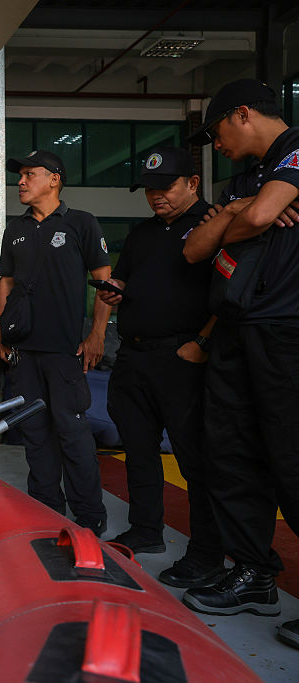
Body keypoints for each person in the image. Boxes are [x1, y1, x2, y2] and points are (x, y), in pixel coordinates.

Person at [179, 79, 299, 644]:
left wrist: (241, 216)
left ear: (243, 114)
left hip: (285, 332)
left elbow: (257, 219)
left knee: (291, 460)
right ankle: (254, 573)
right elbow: (195, 249)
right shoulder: (244, 180)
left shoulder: (298, 147)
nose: (217, 143)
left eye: (218, 130)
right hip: (233, 332)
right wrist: (242, 209)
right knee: (230, 455)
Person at [97, 146, 225, 588]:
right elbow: (126, 279)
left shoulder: (217, 223)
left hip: (184, 358)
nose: (157, 197)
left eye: (165, 187)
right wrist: (113, 289)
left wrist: (201, 342)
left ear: (193, 183)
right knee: (139, 449)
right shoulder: (143, 234)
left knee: (195, 459)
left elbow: (233, 291)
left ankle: (206, 553)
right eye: (150, 190)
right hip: (133, 356)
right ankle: (146, 530)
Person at [0, 150, 112, 536]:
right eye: (21, 176)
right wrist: (1, 333)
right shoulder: (15, 228)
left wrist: (96, 334)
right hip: (24, 351)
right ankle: (46, 510)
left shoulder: (82, 223)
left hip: (65, 352)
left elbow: (104, 282)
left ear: (54, 179)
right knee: (35, 433)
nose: (21, 182)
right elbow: (6, 283)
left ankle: (89, 516)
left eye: (30, 175)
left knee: (72, 432)